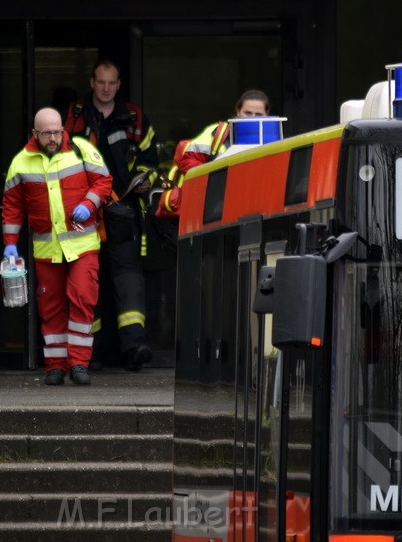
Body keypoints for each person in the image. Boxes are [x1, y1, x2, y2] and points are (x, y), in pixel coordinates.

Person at [2, 107, 112, 386]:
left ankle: (79, 364)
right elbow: (12, 206)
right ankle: (55, 365)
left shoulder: (81, 148)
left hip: (82, 245)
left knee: (82, 300)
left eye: (57, 131)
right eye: (47, 133)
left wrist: (89, 204)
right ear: (34, 134)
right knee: (49, 308)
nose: (53, 137)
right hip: (46, 249)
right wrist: (10, 244)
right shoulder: (21, 162)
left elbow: (103, 181)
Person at [64, 59, 159, 372]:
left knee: (128, 278)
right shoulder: (74, 116)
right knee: (87, 281)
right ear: (92, 82)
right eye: (100, 82)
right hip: (83, 212)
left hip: (123, 211)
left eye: (112, 83)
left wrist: (146, 179)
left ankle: (133, 347)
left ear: (119, 85)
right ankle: (89, 353)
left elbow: (151, 160)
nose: (106, 88)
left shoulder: (134, 118)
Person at [156, 89, 272, 219]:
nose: (252, 118)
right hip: (216, 210)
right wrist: (214, 179)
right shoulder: (218, 133)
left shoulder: (275, 139)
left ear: (267, 114)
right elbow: (187, 160)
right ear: (237, 111)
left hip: (256, 207)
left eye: (258, 114)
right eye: (248, 113)